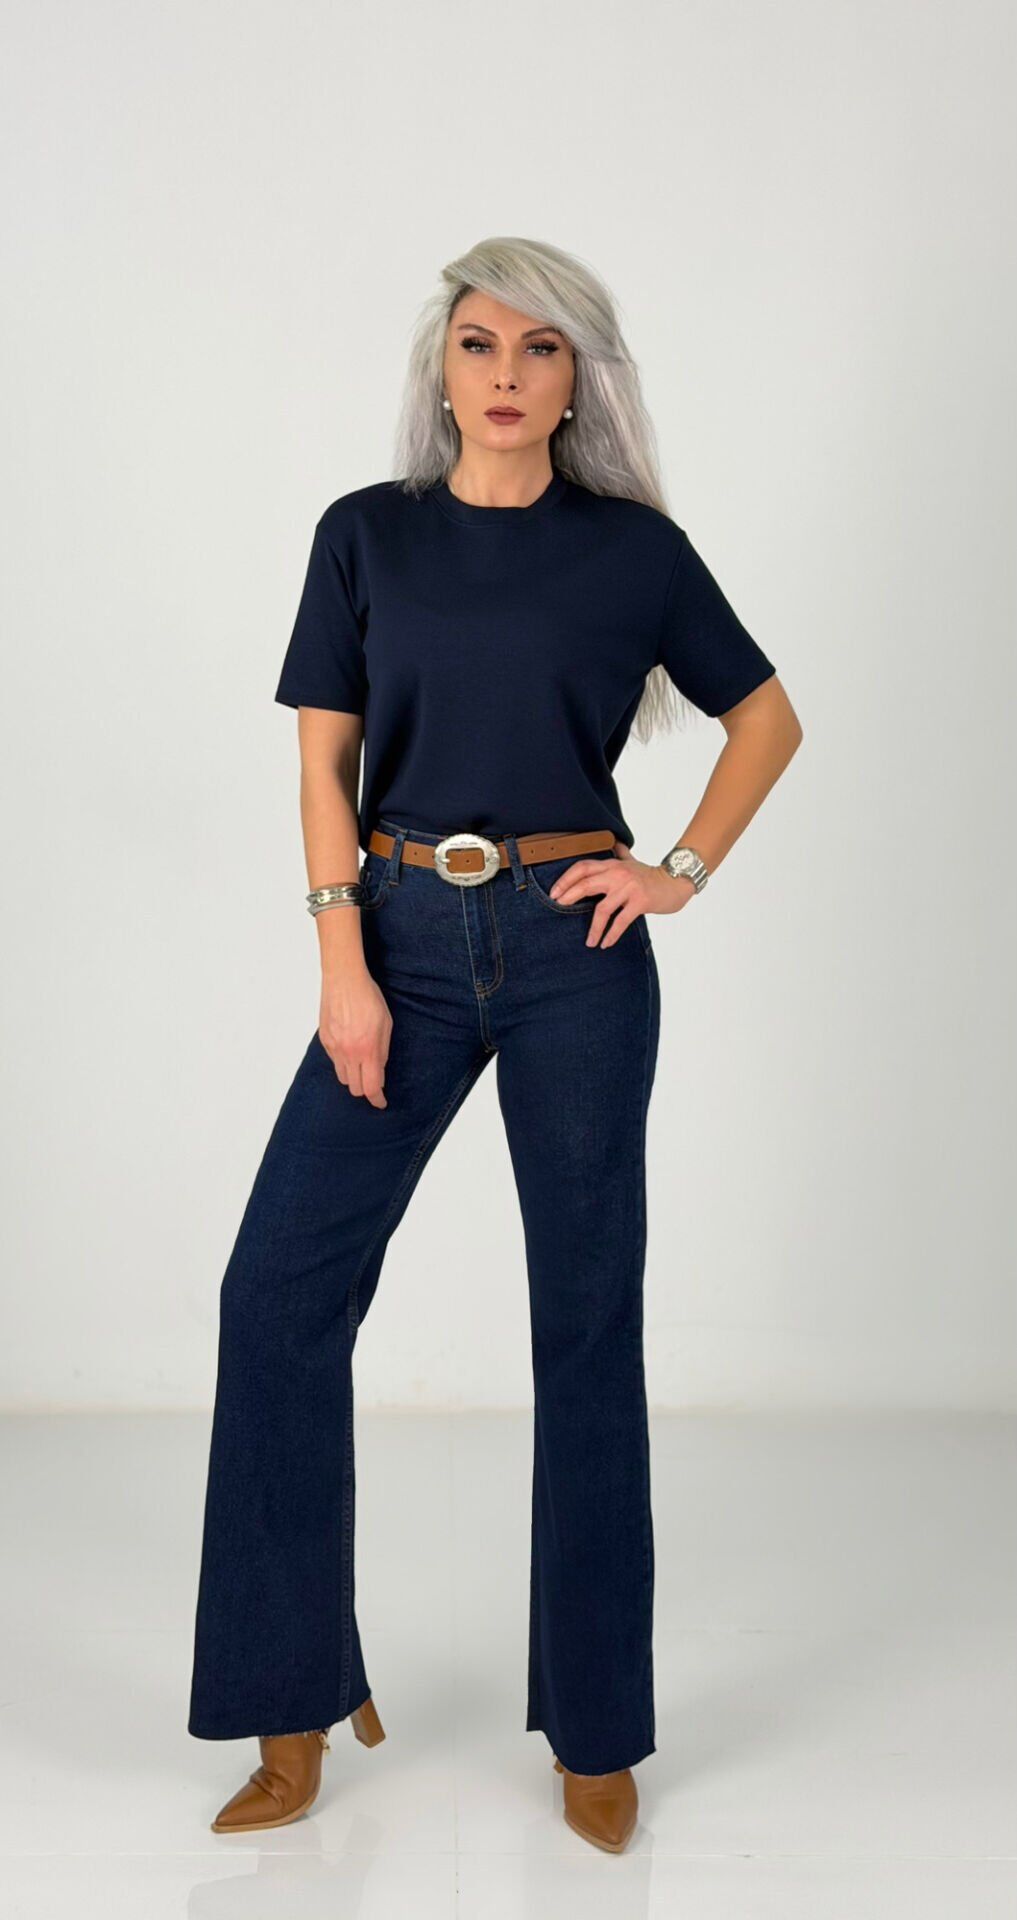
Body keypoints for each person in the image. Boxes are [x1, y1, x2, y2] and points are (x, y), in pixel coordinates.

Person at [187, 234, 803, 1854]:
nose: (508, 374)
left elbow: (766, 718)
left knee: (584, 1322)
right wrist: (342, 960)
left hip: (572, 950)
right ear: (441, 369)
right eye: (479, 344)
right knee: (275, 1295)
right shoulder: (365, 534)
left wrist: (676, 870)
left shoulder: (634, 552)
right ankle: (288, 1708)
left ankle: (595, 1731)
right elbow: (322, 765)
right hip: (392, 934)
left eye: (540, 349)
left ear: (577, 378)